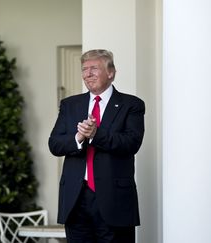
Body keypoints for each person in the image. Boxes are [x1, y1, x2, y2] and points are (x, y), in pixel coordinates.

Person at [48, 49, 145, 243]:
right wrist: (78, 137)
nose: (87, 74)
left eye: (94, 68)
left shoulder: (131, 104)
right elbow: (55, 144)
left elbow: (131, 143)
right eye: (84, 69)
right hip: (76, 199)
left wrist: (96, 135)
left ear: (111, 72)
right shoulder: (70, 104)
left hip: (114, 200)